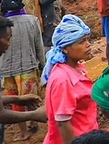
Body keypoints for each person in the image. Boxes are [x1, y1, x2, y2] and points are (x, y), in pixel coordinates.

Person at [42, 15, 99, 144]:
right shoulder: (62, 79)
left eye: (87, 40)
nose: (88, 45)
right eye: (81, 42)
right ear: (65, 48)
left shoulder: (79, 68)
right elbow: (63, 123)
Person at [0, 0, 45, 142]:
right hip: (28, 67)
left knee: (14, 103)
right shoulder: (32, 21)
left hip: (6, 69)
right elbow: (39, 46)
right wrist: (43, 65)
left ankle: (24, 132)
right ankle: (34, 121)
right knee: (31, 99)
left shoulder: (0, 25)